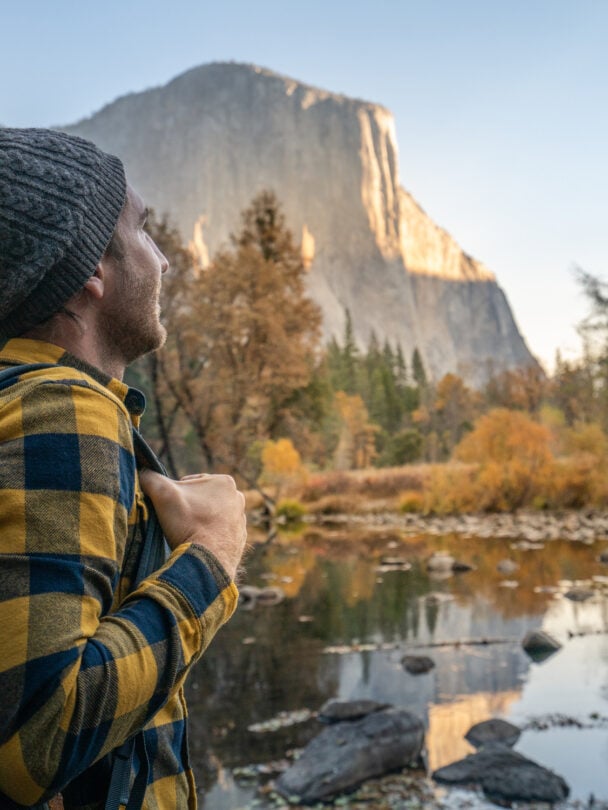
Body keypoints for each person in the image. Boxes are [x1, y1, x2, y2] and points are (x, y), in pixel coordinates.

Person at [0, 128, 248, 808]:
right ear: (93, 271)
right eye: (142, 232)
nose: (164, 260)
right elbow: (35, 742)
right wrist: (212, 556)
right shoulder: (62, 411)